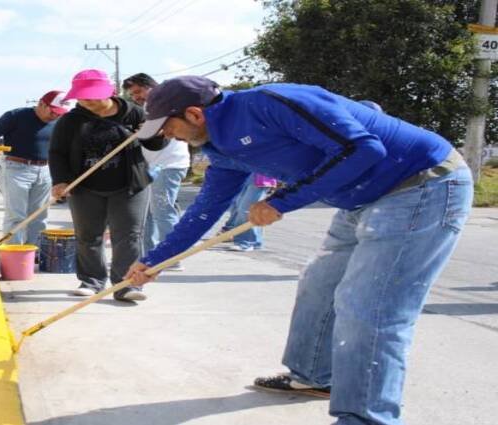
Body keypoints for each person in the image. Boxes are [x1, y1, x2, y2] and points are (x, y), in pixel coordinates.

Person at [125, 76, 472, 425]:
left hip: (422, 185)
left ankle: (367, 418)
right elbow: (204, 211)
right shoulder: (221, 149)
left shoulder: (271, 103)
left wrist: (283, 200)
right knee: (318, 286)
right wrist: (155, 260)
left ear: (194, 114)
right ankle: (313, 377)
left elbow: (363, 148)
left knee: (369, 307)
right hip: (361, 199)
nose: (167, 136)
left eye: (167, 127)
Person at [50, 69, 167, 302]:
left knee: (129, 235)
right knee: (88, 235)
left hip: (129, 185)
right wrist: (61, 181)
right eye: (82, 97)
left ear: (109, 92)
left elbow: (155, 144)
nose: (87, 102)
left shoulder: (134, 113)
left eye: (92, 96)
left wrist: (153, 134)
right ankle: (91, 281)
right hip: (84, 187)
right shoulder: (70, 121)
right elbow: (57, 153)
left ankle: (126, 285)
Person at [0, 90, 70, 246]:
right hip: (15, 168)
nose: (56, 116)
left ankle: (34, 252)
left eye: (60, 113)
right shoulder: (15, 116)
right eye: (53, 111)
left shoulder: (60, 122)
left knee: (39, 215)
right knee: (16, 215)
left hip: (44, 170)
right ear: (41, 103)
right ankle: (14, 253)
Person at [122, 73, 191, 267]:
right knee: (146, 214)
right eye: (132, 94)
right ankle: (149, 256)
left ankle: (172, 258)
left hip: (170, 164)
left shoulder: (168, 103)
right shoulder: (143, 109)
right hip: (149, 166)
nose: (136, 97)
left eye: (138, 91)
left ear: (151, 86)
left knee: (162, 210)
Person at [219, 173, 278, 251]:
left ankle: (246, 243)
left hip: (261, 176)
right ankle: (255, 241)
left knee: (246, 210)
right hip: (247, 175)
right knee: (239, 207)